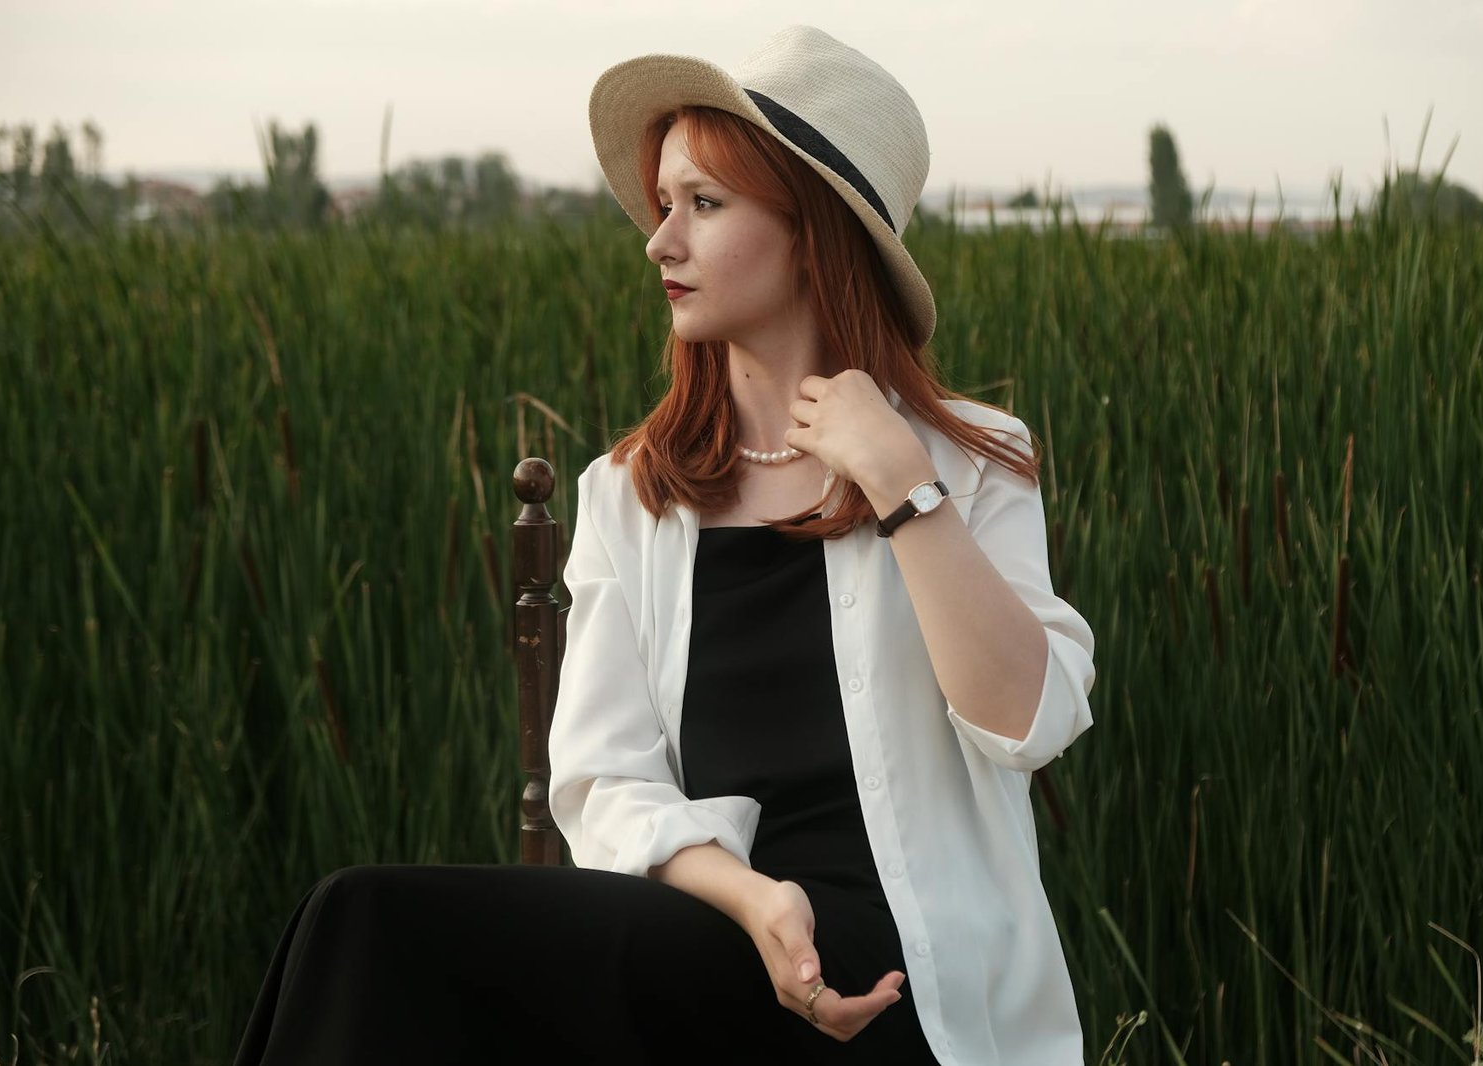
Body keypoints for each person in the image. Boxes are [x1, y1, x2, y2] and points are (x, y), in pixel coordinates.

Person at [232, 25, 1095, 1066]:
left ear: (813, 232)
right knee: (357, 918)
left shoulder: (973, 461)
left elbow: (1028, 721)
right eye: (662, 203)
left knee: (374, 928)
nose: (660, 241)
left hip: (909, 981)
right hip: (717, 942)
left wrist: (903, 487)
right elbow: (603, 782)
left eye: (705, 204)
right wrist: (753, 898)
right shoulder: (630, 494)